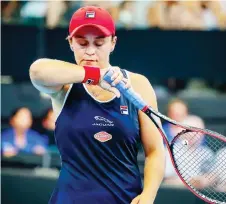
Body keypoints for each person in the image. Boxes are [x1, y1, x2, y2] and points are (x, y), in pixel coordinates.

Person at [29, 6, 165, 204]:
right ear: (70, 43)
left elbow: (155, 151)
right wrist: (96, 75)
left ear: (113, 43)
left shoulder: (138, 84)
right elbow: (37, 71)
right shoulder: (64, 85)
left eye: (99, 43)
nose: (90, 51)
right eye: (82, 43)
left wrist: (148, 195)